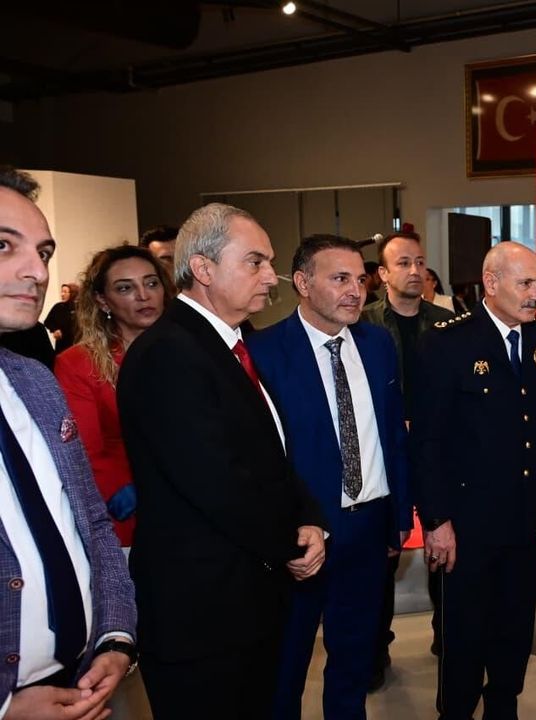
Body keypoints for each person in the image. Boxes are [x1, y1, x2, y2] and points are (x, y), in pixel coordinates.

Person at [116, 202, 327, 720]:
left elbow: (271, 454)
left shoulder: (231, 344)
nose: (271, 277)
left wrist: (309, 517)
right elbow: (216, 481)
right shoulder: (169, 352)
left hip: (243, 599)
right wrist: (288, 543)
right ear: (203, 269)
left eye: (269, 262)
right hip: (201, 612)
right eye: (255, 262)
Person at [248, 234, 413, 719]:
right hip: (302, 534)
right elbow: (260, 458)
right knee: (287, 666)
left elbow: (393, 434)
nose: (355, 291)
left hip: (369, 527)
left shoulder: (377, 344)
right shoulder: (264, 352)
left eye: (360, 280)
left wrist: (398, 517)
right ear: (302, 283)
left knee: (354, 663)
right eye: (339, 279)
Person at [0, 166, 138, 720]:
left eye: (44, 252)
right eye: (3, 246)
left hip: (82, 683)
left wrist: (115, 636)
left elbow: (91, 523)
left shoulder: (34, 380)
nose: (37, 271)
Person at [414, 241, 536, 720]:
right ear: (492, 283)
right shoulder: (446, 343)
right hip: (467, 523)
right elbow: (428, 440)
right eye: (526, 284)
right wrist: (436, 519)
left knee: (514, 625)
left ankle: (504, 706)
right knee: (464, 632)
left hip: (522, 514)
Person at [360, 230, 452, 680]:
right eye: (403, 263)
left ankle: (448, 637)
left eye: (419, 262)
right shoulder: (363, 325)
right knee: (383, 558)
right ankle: (376, 649)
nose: (415, 271)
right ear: (382, 273)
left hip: (439, 453)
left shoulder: (448, 324)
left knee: (446, 548)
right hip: (384, 454)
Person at [54, 245, 174, 546]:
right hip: (128, 516)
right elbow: (85, 452)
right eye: (125, 288)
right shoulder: (79, 363)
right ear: (102, 300)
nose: (143, 296)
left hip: (204, 508)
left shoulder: (190, 352)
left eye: (151, 283)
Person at [43, 283, 78, 354]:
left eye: (65, 292)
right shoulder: (58, 307)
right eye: (62, 292)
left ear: (72, 293)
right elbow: (47, 322)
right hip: (61, 346)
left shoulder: (79, 308)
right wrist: (54, 329)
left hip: (76, 344)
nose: (62, 294)